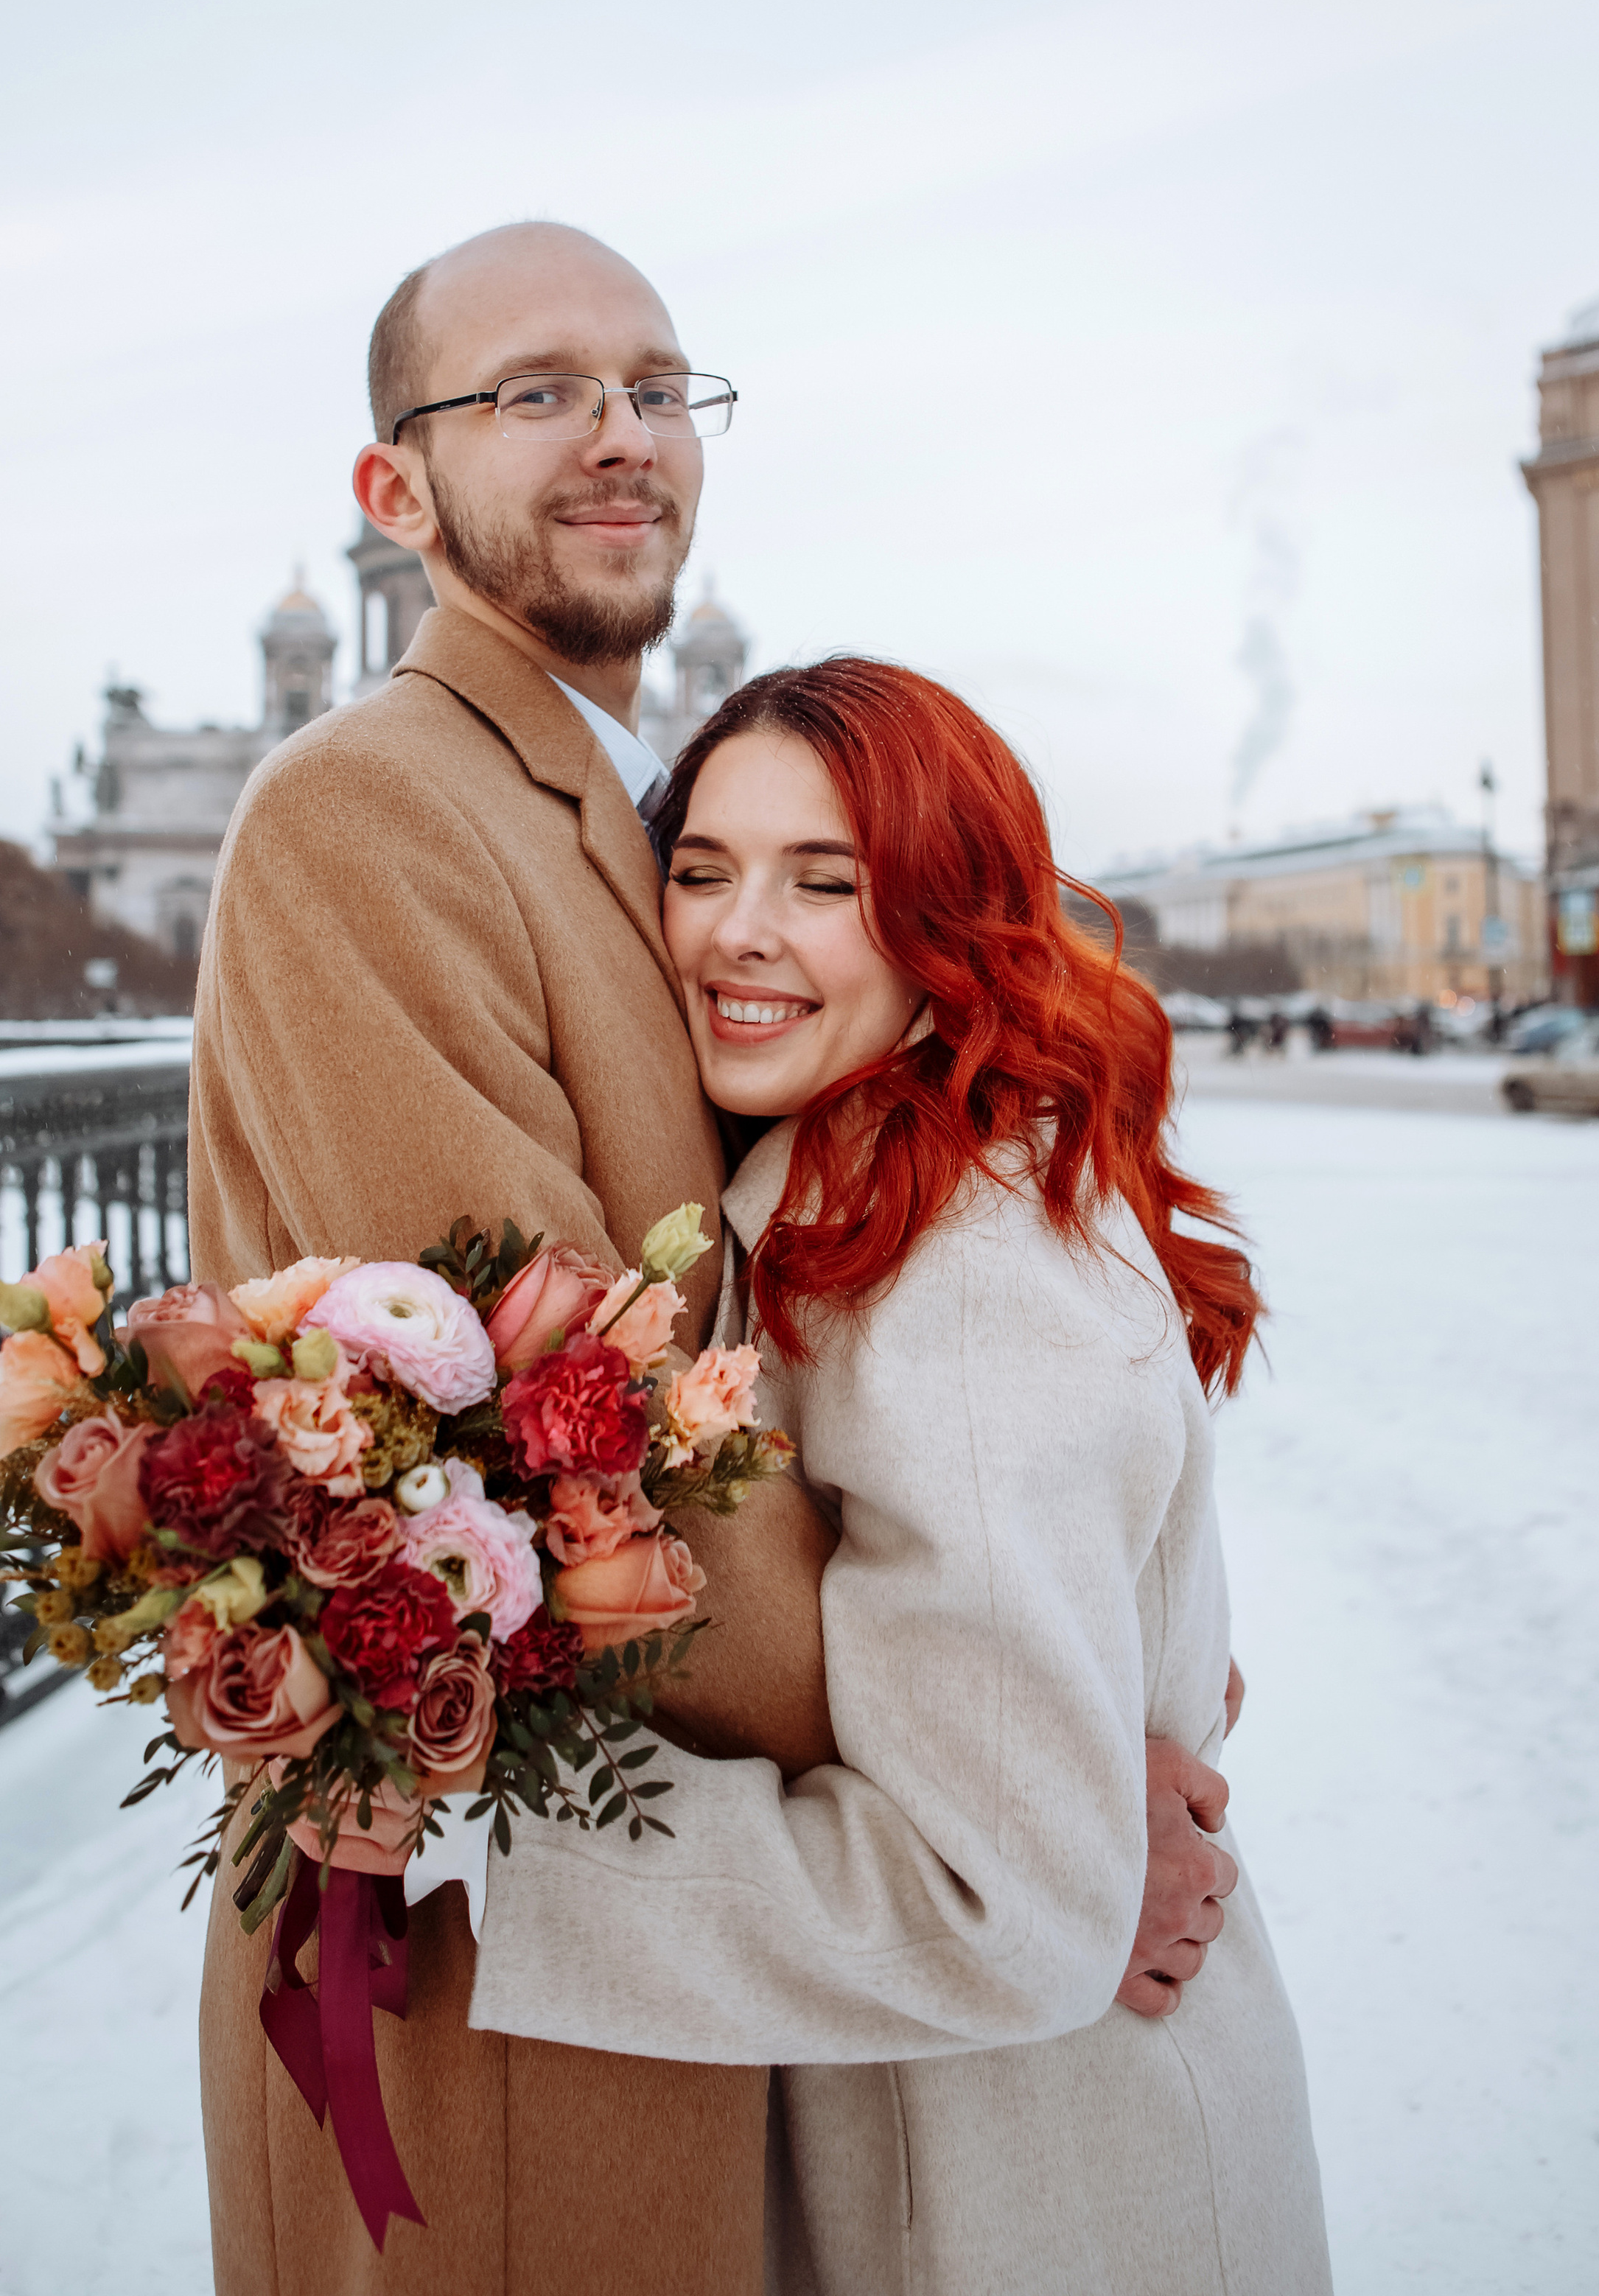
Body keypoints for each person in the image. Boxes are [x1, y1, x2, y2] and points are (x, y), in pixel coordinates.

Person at [187, 224, 1241, 2295]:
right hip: (496, 1984)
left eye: (658, 389)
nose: (619, 434)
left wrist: (1051, 1693)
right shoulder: (372, 807)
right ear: (395, 489)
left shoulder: (606, 807)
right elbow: (567, 1450)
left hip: (673, 1955)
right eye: (536, 390)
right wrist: (1020, 1799)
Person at [471, 657, 1332, 2295]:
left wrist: (497, 1849)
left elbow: (1001, 1902)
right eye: (704, 871)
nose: (739, 933)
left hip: (1038, 2187)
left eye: (826, 882)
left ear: (948, 922)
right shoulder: (883, 1192)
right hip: (1002, 2135)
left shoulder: (957, 1276)